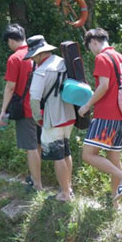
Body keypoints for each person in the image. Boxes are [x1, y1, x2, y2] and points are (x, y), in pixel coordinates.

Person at [78, 28, 122, 203]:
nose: (91, 51)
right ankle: (114, 203)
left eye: (90, 47)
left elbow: (103, 86)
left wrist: (87, 105)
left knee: (88, 155)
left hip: (105, 115)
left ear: (93, 42)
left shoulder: (102, 58)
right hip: (120, 116)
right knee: (113, 159)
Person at [26, 35, 76, 202]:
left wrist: (37, 118)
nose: (32, 58)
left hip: (52, 117)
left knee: (57, 155)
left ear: (41, 54)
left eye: (33, 55)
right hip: (69, 113)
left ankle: (64, 194)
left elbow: (34, 98)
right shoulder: (62, 62)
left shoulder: (41, 70)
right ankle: (69, 188)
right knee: (66, 151)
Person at [0, 24, 42, 191]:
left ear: (11, 40)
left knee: (30, 147)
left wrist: (3, 110)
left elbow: (10, 87)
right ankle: (35, 178)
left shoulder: (15, 58)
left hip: (26, 109)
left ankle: (37, 185)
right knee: (37, 144)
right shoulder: (38, 53)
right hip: (41, 107)